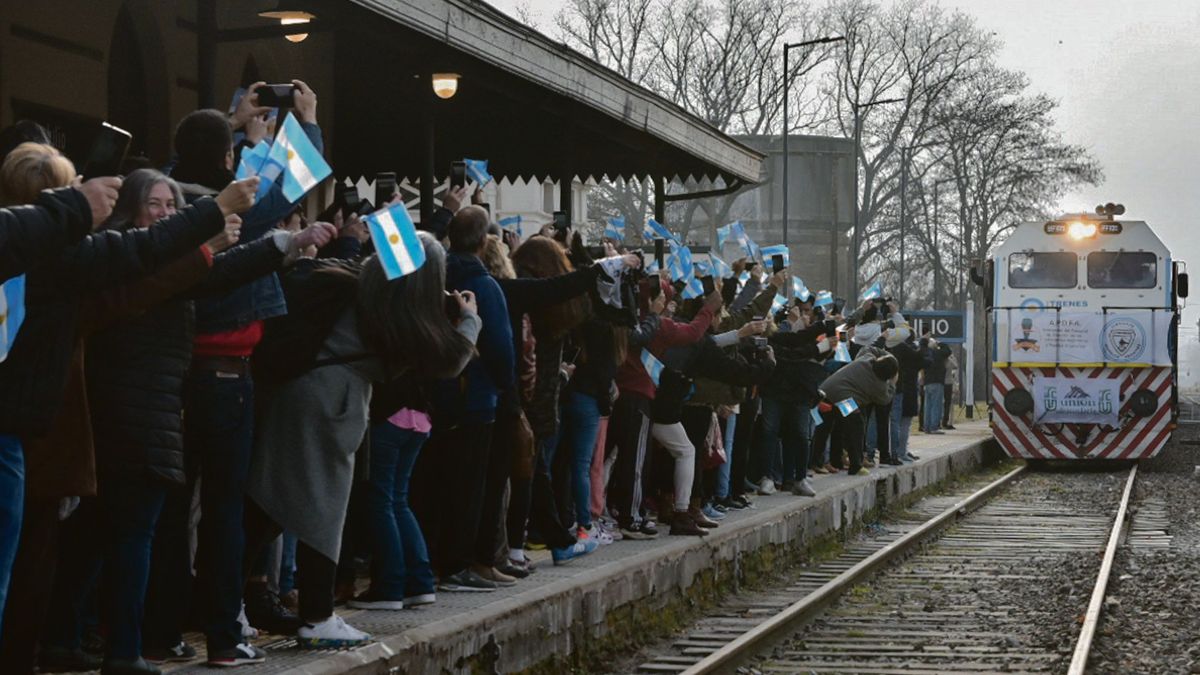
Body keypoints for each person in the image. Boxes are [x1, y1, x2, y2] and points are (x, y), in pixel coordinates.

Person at [0, 144, 256, 675]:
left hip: (41, 428)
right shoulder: (63, 258)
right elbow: (143, 258)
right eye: (156, 202)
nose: (164, 211)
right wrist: (217, 209)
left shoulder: (48, 252)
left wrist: (278, 244)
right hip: (42, 426)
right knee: (34, 564)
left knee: (51, 554)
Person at [161, 80, 326, 667]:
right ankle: (224, 639)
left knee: (174, 507)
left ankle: (161, 632)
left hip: (175, 373)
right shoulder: (233, 204)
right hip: (228, 372)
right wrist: (303, 121)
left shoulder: (169, 196)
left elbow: (180, 159)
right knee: (226, 510)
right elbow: (293, 184)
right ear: (228, 159)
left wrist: (232, 124)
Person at [244, 237, 480, 646]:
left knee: (271, 506)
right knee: (321, 511)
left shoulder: (355, 281)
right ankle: (317, 618)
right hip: (330, 404)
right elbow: (447, 360)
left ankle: (229, 606)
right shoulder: (393, 307)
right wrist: (470, 320)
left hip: (302, 393)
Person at [811, 347, 898, 477]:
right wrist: (893, 382)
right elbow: (886, 399)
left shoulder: (866, 359)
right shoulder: (879, 385)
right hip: (844, 400)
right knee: (856, 426)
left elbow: (868, 348)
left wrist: (887, 355)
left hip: (825, 391)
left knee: (825, 429)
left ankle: (818, 462)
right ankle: (855, 466)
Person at [887, 325, 930, 464]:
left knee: (894, 422)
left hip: (894, 389)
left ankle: (895, 450)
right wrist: (924, 342)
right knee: (905, 422)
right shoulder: (906, 350)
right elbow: (926, 360)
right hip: (908, 389)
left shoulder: (891, 348)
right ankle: (901, 451)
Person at [922, 335, 952, 434]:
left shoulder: (925, 353)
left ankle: (926, 427)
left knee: (928, 406)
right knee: (936, 405)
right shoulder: (938, 353)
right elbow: (948, 350)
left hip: (927, 383)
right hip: (937, 382)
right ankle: (934, 427)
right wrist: (939, 343)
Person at [943, 351, 958, 430]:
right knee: (949, 404)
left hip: (941, 383)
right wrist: (951, 358)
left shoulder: (939, 359)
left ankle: (944, 421)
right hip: (949, 383)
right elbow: (955, 366)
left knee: (943, 404)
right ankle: (949, 422)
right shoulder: (949, 361)